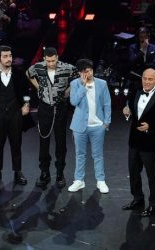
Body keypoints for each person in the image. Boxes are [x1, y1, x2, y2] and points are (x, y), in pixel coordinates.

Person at [26, 47, 78, 189]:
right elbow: (28, 73)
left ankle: (60, 172)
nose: (50, 63)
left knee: (61, 141)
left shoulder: (67, 68)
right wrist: (39, 88)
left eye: (53, 60)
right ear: (44, 58)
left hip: (60, 107)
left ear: (57, 57)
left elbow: (77, 79)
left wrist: (67, 92)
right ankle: (44, 172)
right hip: (44, 107)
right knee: (44, 140)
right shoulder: (38, 67)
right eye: (48, 61)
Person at [0, 45, 30, 186]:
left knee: (16, 144)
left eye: (10, 56)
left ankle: (18, 172)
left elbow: (25, 90)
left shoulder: (19, 73)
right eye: (5, 56)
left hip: (15, 113)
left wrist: (26, 104)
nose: (9, 59)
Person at [122, 68, 155, 217]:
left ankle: (154, 204)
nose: (146, 81)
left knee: (151, 175)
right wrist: (127, 112)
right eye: (145, 78)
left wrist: (150, 126)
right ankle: (138, 199)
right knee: (133, 173)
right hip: (134, 141)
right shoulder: (136, 92)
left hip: (149, 144)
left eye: (150, 79)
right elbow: (133, 112)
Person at [68, 59, 111, 194]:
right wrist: (83, 85)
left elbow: (107, 104)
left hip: (98, 126)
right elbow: (74, 101)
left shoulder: (102, 84)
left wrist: (106, 123)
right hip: (79, 125)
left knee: (97, 155)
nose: (89, 73)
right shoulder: (75, 84)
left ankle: (100, 180)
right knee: (80, 154)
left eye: (90, 70)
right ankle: (79, 180)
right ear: (80, 73)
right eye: (86, 71)